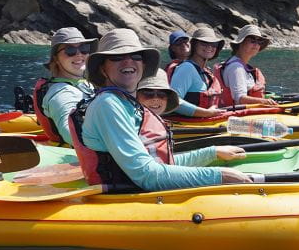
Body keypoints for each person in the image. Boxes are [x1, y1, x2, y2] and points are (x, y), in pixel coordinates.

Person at [68, 28, 253, 192]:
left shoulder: (127, 103)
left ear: (143, 64)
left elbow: (161, 163)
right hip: (124, 197)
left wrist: (211, 153)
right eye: (117, 57)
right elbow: (148, 176)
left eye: (136, 56)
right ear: (102, 69)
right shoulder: (108, 104)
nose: (128, 62)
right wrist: (219, 176)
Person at [136, 69, 246, 166]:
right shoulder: (138, 126)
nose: (155, 98)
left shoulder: (152, 121)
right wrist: (212, 153)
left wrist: (214, 152)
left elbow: (165, 162)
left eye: (161, 94)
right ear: (135, 96)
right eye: (148, 93)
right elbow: (157, 170)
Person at [32, 27, 97, 145]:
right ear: (56, 58)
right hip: (77, 156)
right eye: (70, 50)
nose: (79, 55)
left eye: (84, 48)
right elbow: (71, 134)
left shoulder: (83, 84)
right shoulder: (63, 92)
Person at [216, 24, 278, 107]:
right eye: (252, 41)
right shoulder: (236, 67)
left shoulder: (237, 64)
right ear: (241, 43)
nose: (256, 44)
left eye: (259, 41)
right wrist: (264, 101)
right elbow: (240, 99)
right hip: (239, 116)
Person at [169, 26, 225, 109]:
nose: (209, 47)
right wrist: (205, 113)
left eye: (214, 44)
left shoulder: (205, 72)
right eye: (204, 43)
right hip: (189, 121)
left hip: (208, 119)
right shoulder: (186, 68)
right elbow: (174, 102)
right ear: (194, 45)